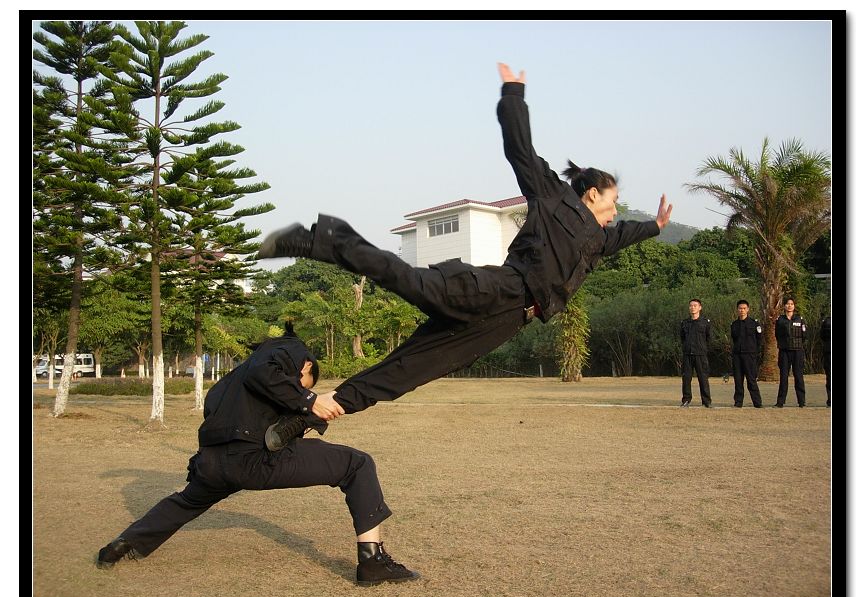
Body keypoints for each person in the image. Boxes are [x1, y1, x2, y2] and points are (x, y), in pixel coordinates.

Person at [257, 62, 672, 445]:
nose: (615, 212)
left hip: (509, 320)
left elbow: (624, 236)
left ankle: (310, 417)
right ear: (593, 193)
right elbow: (520, 150)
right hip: (497, 289)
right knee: (408, 279)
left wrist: (654, 227)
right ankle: (321, 241)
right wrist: (513, 94)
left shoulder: (598, 240)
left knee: (412, 369)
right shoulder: (553, 196)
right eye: (613, 202)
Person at [95, 323, 419, 586]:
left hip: (211, 463)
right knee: (356, 463)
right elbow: (266, 376)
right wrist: (308, 402)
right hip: (254, 460)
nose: (303, 386)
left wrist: (300, 420)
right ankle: (373, 561)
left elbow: (225, 406)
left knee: (186, 501)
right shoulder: (288, 351)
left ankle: (123, 544)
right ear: (305, 366)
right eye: (308, 381)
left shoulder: (232, 378)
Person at [730, 299, 763, 408]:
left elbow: (759, 340)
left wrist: (754, 351)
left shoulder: (754, 323)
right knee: (738, 380)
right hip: (737, 355)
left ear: (748, 309)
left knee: (751, 380)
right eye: (740, 308)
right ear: (737, 310)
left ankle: (757, 403)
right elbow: (734, 339)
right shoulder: (734, 324)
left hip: (749, 355)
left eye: (744, 308)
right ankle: (738, 402)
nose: (742, 310)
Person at [775, 298, 807, 408]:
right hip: (784, 352)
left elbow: (804, 336)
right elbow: (777, 334)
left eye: (791, 304)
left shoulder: (800, 319)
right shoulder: (780, 320)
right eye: (787, 304)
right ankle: (780, 402)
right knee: (783, 377)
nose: (789, 306)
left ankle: (801, 402)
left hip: (797, 351)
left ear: (794, 306)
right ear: (784, 306)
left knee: (798, 376)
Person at [680, 298, 712, 408]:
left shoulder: (705, 322)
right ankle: (686, 400)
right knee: (686, 378)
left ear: (700, 307)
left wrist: (702, 348)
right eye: (691, 306)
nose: (692, 307)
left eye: (695, 305)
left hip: (700, 354)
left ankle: (706, 401)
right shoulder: (685, 323)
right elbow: (682, 338)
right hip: (688, 354)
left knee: (703, 378)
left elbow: (708, 338)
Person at [820, 315, 830, 407]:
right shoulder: (826, 321)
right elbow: (822, 336)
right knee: (830, 377)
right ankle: (830, 400)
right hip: (829, 352)